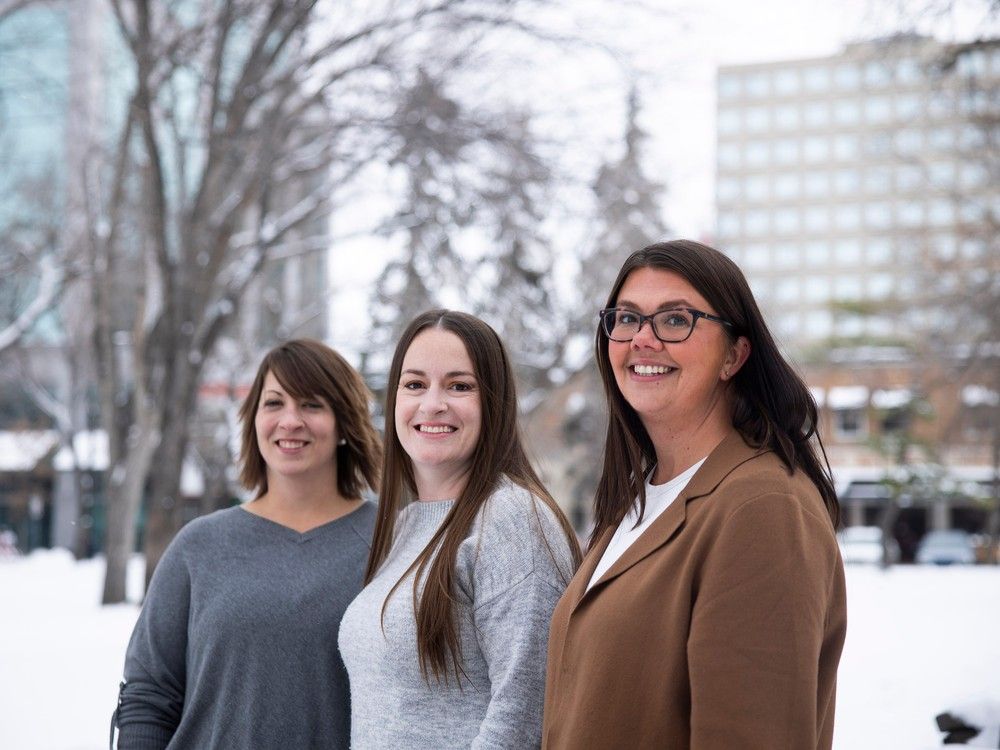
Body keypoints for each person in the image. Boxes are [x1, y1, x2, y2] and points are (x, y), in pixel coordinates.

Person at [543, 240, 847, 749]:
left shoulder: (762, 507)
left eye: (675, 320)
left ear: (735, 354)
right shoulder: (639, 499)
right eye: (626, 318)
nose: (643, 339)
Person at [113, 339, 382, 749]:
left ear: (345, 423)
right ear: (254, 419)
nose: (290, 420)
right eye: (274, 403)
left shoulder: (392, 543)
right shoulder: (198, 547)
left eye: (312, 404)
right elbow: (149, 695)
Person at [339, 309, 581, 750]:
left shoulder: (511, 520)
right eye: (414, 384)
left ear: (495, 403)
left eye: (459, 386)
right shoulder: (404, 527)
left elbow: (524, 715)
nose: (432, 404)